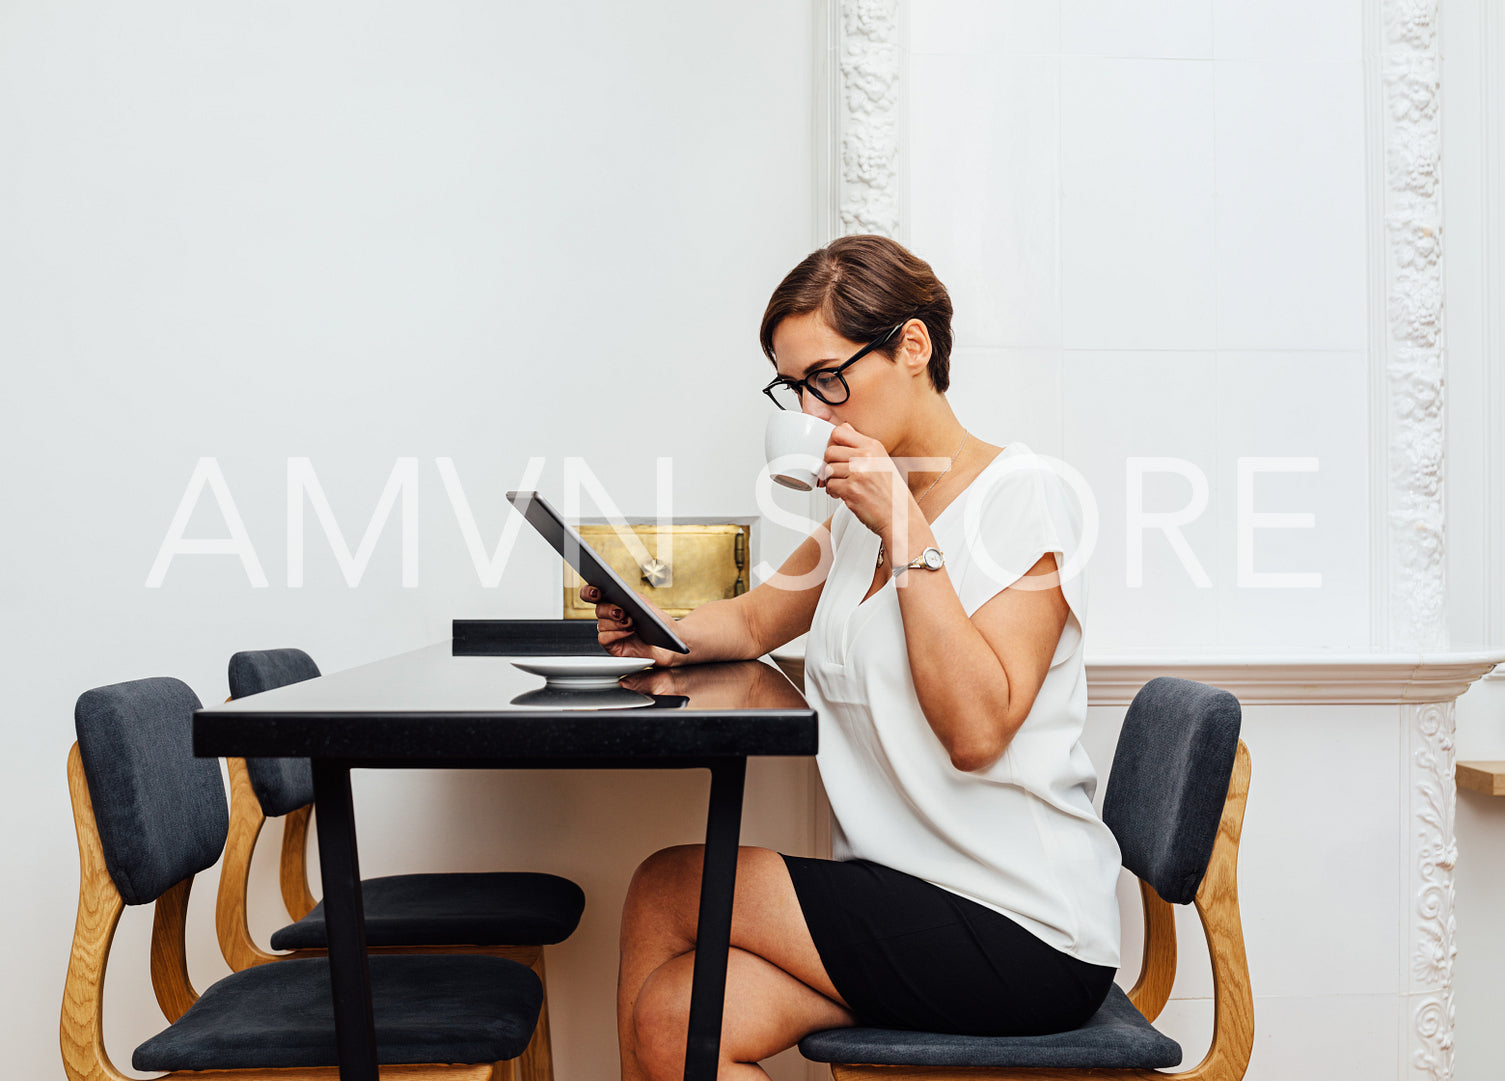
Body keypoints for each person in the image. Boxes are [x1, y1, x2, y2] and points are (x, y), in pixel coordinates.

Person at [586, 234, 1121, 1081]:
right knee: (673, 1021)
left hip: (1020, 923)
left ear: (912, 347)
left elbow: (977, 730)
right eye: (794, 389)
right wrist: (664, 628)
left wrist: (905, 525)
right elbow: (761, 617)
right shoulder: (846, 515)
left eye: (827, 378)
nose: (814, 412)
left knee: (666, 885)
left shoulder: (1027, 498)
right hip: (903, 895)